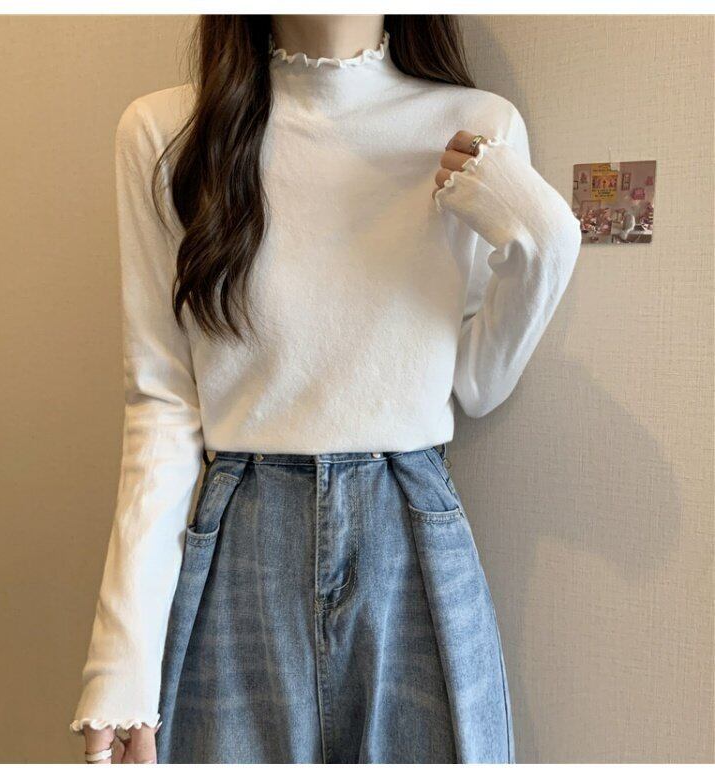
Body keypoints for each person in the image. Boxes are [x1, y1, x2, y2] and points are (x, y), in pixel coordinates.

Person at [70, 14, 581, 764]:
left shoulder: (474, 127)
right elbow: (163, 402)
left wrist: (547, 242)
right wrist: (123, 656)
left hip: (410, 534)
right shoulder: (166, 133)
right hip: (238, 540)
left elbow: (477, 384)